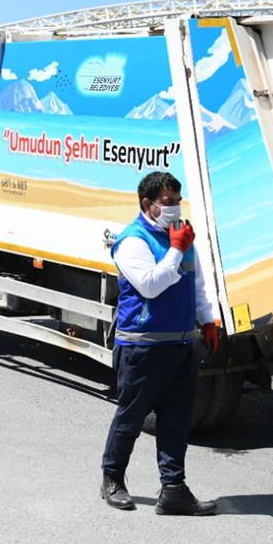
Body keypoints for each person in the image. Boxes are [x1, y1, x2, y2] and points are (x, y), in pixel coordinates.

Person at [100, 171, 221, 515]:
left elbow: (193, 283)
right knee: (131, 417)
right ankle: (112, 479)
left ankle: (173, 489)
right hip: (142, 346)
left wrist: (207, 319)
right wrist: (176, 248)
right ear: (147, 205)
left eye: (177, 201)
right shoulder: (132, 241)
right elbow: (151, 285)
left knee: (176, 420)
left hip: (181, 344)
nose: (174, 208)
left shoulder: (180, 237)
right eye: (167, 203)